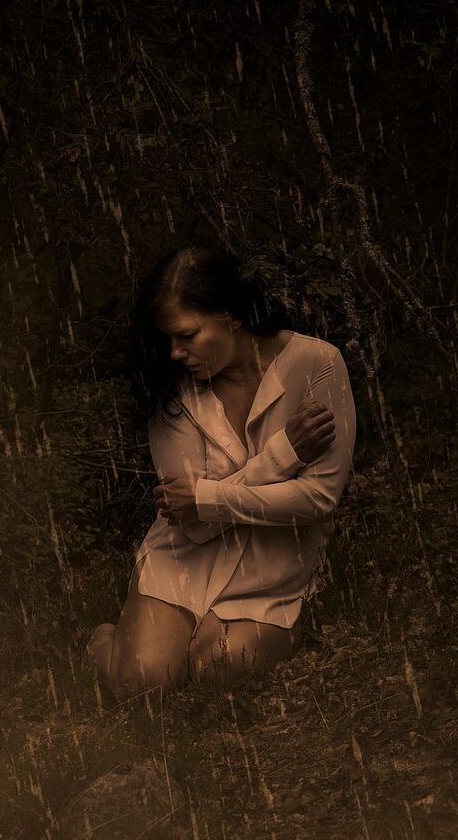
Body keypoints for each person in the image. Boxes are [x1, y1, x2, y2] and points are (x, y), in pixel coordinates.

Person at [85, 246, 356, 705]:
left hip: (272, 563)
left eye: (187, 335)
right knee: (142, 688)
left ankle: (246, 629)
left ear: (231, 314)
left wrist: (207, 498)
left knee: (220, 670)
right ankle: (102, 643)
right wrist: (284, 454)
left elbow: (317, 500)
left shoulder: (317, 365)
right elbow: (192, 520)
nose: (175, 352)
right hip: (184, 557)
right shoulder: (168, 390)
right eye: (168, 339)